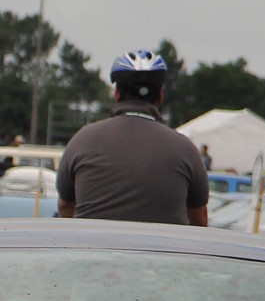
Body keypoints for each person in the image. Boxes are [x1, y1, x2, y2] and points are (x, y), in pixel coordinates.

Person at [56, 49, 209, 225]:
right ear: (160, 97)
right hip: (162, 252)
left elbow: (66, 206)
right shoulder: (185, 149)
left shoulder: (82, 141)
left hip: (94, 250)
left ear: (117, 94)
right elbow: (199, 219)